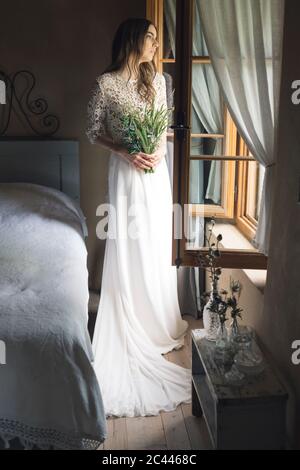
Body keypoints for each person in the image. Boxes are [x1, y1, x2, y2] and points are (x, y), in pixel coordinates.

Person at [85, 17, 191, 417]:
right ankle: (131, 318)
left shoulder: (158, 81)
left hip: (155, 174)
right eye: (150, 38)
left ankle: (158, 320)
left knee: (153, 241)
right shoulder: (105, 84)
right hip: (127, 174)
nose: (154, 45)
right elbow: (93, 131)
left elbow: (162, 130)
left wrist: (157, 155)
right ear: (133, 40)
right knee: (130, 243)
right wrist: (127, 152)